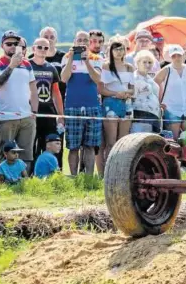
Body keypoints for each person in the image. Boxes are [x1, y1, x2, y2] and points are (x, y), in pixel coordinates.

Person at [0, 30, 39, 173]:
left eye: (16, 43)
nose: (13, 46)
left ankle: (23, 184)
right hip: (5, 117)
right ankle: (2, 183)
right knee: (3, 154)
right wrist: (11, 66)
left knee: (26, 154)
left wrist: (34, 112)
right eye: (9, 44)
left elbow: (33, 89)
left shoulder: (27, 64)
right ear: (2, 46)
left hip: (26, 117)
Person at [61, 31, 103, 176]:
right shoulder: (67, 57)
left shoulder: (96, 58)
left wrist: (86, 61)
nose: (82, 42)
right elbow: (64, 78)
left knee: (90, 145)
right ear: (74, 41)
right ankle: (73, 177)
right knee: (73, 146)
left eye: (85, 40)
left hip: (92, 106)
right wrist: (72, 59)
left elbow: (97, 78)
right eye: (79, 40)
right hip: (73, 106)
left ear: (89, 42)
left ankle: (89, 177)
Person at [98, 41, 134, 175]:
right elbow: (102, 89)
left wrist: (126, 94)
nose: (119, 52)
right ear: (111, 51)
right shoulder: (106, 66)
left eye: (121, 49)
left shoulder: (129, 67)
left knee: (123, 141)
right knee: (111, 141)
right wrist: (116, 94)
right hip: (111, 103)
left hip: (126, 103)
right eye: (116, 49)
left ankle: (121, 172)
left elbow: (132, 89)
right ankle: (109, 172)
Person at [30, 38, 64, 168]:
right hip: (32, 111)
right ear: (33, 49)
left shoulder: (52, 68)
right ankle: (30, 174)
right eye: (40, 47)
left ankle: (51, 174)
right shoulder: (27, 66)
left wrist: (60, 115)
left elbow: (56, 93)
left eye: (46, 48)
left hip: (48, 112)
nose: (43, 50)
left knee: (50, 144)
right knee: (31, 145)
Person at [154, 45, 186, 140]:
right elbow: (154, 85)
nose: (177, 58)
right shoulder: (167, 70)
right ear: (170, 58)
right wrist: (159, 102)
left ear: (183, 56)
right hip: (171, 108)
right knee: (173, 140)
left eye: (179, 55)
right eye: (174, 56)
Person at [131, 50, 161, 133]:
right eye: (144, 62)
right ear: (137, 63)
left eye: (150, 62)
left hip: (153, 116)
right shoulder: (133, 78)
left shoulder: (149, 78)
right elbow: (131, 99)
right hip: (139, 117)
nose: (147, 65)